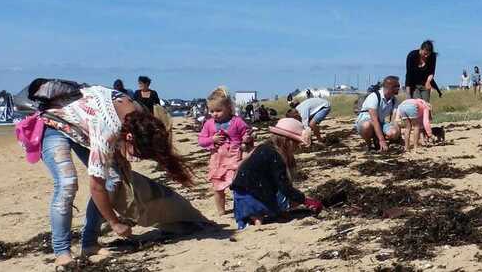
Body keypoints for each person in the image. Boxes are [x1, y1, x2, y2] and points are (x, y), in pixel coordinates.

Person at [26, 83, 196, 268]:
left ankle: (89, 244)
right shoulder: (107, 133)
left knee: (113, 178)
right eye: (135, 153)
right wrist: (114, 223)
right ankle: (62, 251)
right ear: (129, 137)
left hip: (83, 128)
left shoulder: (137, 112)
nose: (134, 158)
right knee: (67, 183)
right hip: (54, 124)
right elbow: (96, 186)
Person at [230, 118, 322, 229]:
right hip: (253, 194)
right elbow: (283, 186)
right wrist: (304, 200)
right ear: (288, 142)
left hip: (240, 193)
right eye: (297, 144)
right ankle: (259, 219)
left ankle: (259, 216)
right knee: (288, 200)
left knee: (266, 198)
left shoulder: (263, 148)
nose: (298, 147)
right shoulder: (276, 157)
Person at [198, 87, 253, 216]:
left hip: (235, 157)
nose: (214, 114)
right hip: (217, 160)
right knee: (217, 188)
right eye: (211, 111)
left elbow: (247, 134)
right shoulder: (209, 124)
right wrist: (212, 139)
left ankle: (239, 208)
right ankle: (221, 211)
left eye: (218, 110)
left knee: (238, 185)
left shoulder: (237, 121)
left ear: (228, 108)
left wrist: (247, 138)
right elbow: (201, 141)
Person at [355, 76, 401, 152]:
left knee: (394, 132)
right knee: (367, 125)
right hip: (366, 122)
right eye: (397, 86)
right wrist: (382, 140)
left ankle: (384, 142)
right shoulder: (374, 97)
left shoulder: (394, 100)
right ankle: (369, 145)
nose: (399, 88)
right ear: (389, 87)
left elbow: (394, 120)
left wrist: (397, 134)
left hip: (380, 122)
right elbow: (374, 120)